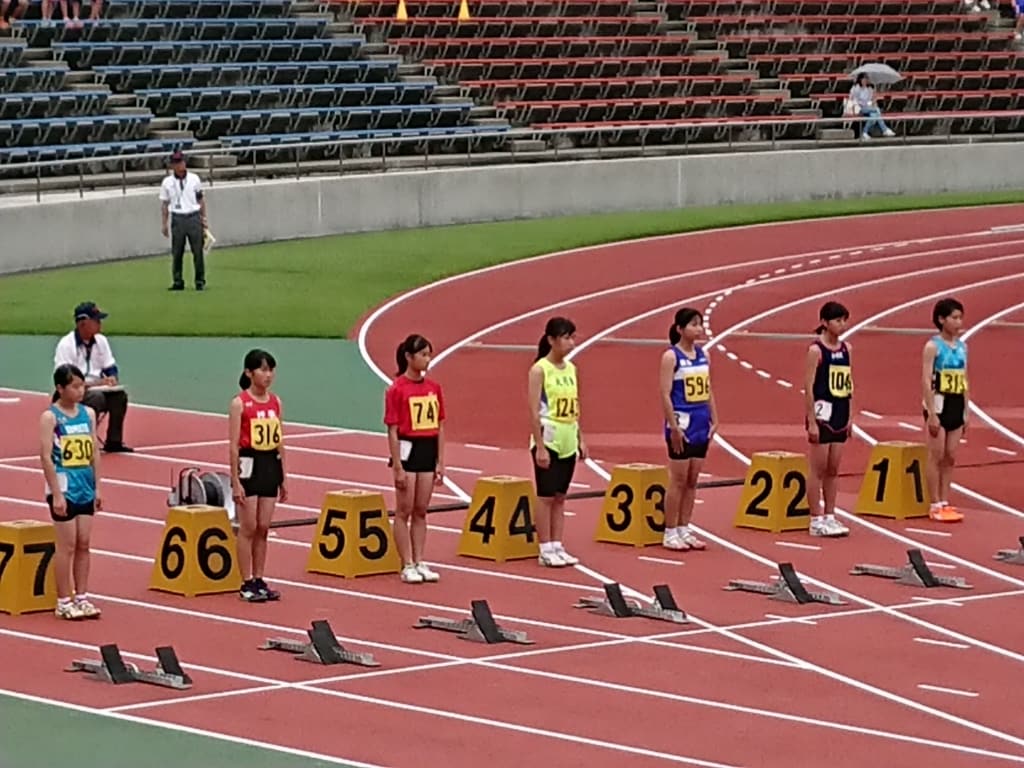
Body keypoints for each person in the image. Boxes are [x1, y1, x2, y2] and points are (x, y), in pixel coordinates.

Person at [39, 364, 102, 620]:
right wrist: (56, 494)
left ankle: (82, 597)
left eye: (82, 385)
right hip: (64, 487)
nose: (80, 390)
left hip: (85, 485)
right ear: (60, 388)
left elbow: (94, 453)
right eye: (75, 386)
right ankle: (63, 600)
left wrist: (97, 487)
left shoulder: (88, 413)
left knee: (84, 543)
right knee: (66, 545)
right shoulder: (50, 417)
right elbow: (45, 456)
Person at [384, 334, 446, 584]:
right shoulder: (396, 389)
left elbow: (440, 425)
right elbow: (392, 429)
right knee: (404, 509)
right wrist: (397, 465)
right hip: (408, 451)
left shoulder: (434, 388)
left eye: (429, 354)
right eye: (422, 354)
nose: (427, 359)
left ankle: (420, 560)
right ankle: (406, 563)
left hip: (428, 450)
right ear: (409, 357)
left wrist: (441, 461)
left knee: (421, 510)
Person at [229, 349, 287, 602]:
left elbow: (280, 442)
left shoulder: (276, 402)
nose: (268, 375)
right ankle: (245, 582)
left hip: (269, 464)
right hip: (249, 464)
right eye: (263, 370)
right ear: (249, 373)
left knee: (264, 527)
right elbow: (233, 445)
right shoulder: (239, 403)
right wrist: (235, 482)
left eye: (271, 370)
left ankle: (260, 578)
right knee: (249, 527)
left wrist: (284, 476)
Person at [528, 317, 586, 568]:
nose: (571, 343)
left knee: (561, 496)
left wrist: (581, 438)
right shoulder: (539, 370)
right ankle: (544, 547)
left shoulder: (571, 369)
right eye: (566, 338)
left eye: (572, 337)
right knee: (546, 495)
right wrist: (540, 446)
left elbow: (575, 407)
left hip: (568, 436)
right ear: (552, 340)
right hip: (548, 437)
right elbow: (533, 411)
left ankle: (557, 544)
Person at [659, 308, 717, 551]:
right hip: (681, 423)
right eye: (693, 324)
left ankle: (685, 527)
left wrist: (715, 417)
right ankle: (670, 531)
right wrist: (672, 426)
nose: (698, 329)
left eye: (700, 324)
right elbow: (664, 393)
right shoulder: (671, 357)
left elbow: (708, 388)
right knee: (678, 479)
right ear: (680, 329)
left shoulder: (704, 355)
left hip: (701, 422)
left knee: (693, 480)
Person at [53, 302, 133, 453]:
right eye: (96, 321)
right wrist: (95, 383)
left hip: (98, 388)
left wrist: (112, 378)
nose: (100, 324)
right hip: (74, 391)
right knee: (96, 398)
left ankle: (114, 441)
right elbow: (64, 379)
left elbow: (110, 366)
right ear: (83, 323)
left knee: (119, 396)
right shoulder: (66, 345)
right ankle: (85, 439)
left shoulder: (101, 341)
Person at [803, 301, 853, 538]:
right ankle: (815, 518)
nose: (842, 325)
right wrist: (811, 420)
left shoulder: (846, 349)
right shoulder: (816, 351)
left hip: (841, 411)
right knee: (818, 468)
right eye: (837, 320)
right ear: (824, 322)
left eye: (844, 320)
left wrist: (850, 416)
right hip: (822, 413)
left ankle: (830, 515)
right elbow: (809, 386)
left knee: (834, 468)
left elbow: (848, 386)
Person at [922, 298, 968, 523]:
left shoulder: (962, 346)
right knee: (936, 454)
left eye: (960, 317)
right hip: (938, 403)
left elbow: (964, 378)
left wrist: (966, 410)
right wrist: (931, 412)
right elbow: (926, 379)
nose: (958, 322)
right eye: (954, 318)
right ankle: (934, 502)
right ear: (941, 319)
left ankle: (945, 500)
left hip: (956, 402)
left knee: (950, 455)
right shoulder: (933, 346)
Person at [159, 150, 209, 291]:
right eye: (176, 163)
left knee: (197, 251)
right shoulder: (167, 182)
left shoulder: (194, 179)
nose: (179, 165)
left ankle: (200, 280)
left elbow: (200, 199)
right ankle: (178, 280)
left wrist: (204, 218)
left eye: (181, 162)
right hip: (178, 217)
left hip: (193, 216)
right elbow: (164, 204)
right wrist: (164, 223)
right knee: (177, 252)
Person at [847, 74, 895, 140]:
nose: (865, 80)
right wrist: (860, 104)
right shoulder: (856, 88)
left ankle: (864, 132)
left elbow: (871, 101)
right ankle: (884, 129)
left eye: (866, 79)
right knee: (876, 110)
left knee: (874, 116)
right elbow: (852, 99)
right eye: (863, 79)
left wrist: (873, 99)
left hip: (868, 107)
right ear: (860, 79)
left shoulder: (869, 89)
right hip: (859, 108)